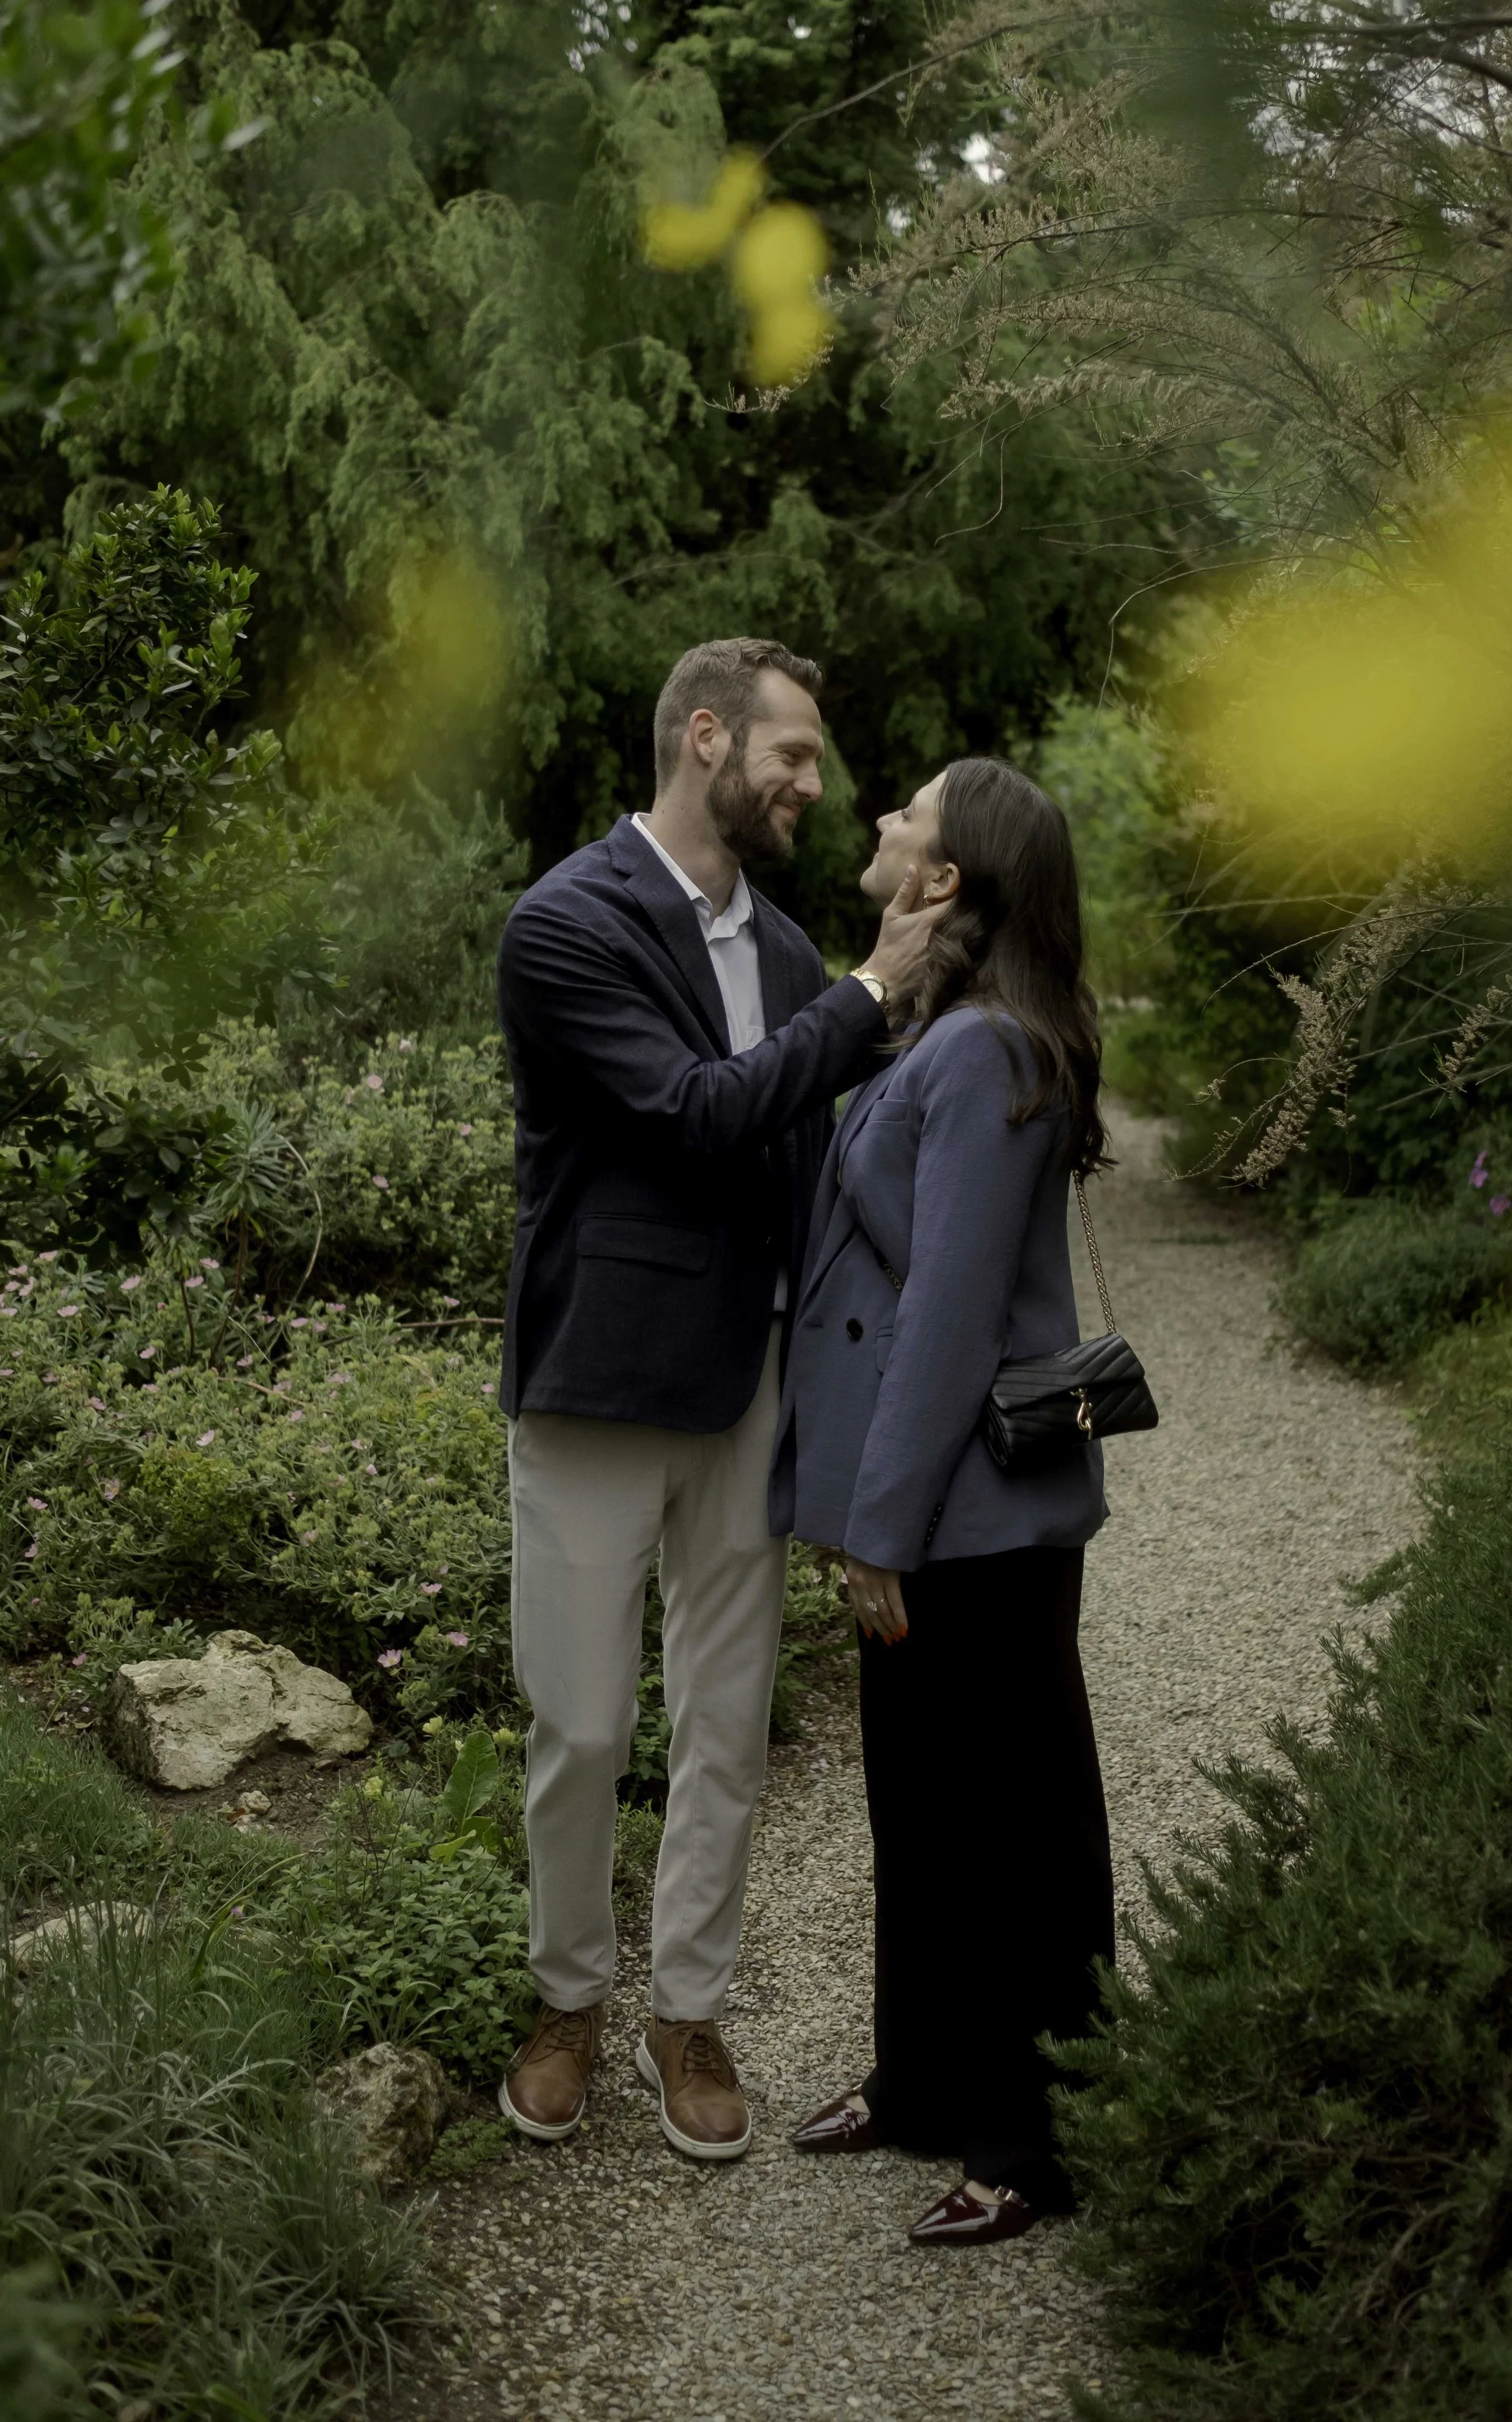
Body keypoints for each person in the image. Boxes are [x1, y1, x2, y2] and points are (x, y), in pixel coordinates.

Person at [495, 636, 943, 2163]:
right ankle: (568, 2002)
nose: (814, 785)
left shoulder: (798, 950)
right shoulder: (566, 924)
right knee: (577, 1723)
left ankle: (687, 2011)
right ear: (705, 741)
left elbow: (809, 1174)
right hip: (598, 1390)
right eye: (793, 755)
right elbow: (695, 1118)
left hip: (750, 1393)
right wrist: (869, 996)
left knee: (726, 1725)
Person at [770, 755, 1113, 2244]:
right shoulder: (941, 1034)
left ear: (949, 873)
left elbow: (954, 1313)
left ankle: (1035, 2143)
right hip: (932, 1505)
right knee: (916, 1808)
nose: (879, 820)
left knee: (1013, 1829)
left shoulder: (985, 1054)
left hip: (972, 1517)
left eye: (904, 810)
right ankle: (918, 2085)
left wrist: (876, 1526)